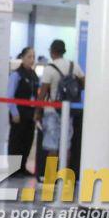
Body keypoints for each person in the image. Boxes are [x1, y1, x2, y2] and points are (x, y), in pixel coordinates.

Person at [35, 39, 84, 179]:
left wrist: (37, 112)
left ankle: (50, 177)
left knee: (52, 146)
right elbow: (84, 83)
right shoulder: (73, 65)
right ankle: (64, 176)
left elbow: (43, 93)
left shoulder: (49, 68)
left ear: (52, 51)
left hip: (52, 111)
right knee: (66, 145)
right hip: (68, 111)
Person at [7, 47, 39, 175]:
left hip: (30, 114)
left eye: (33, 57)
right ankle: (13, 169)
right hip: (19, 114)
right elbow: (10, 96)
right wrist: (14, 113)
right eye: (29, 57)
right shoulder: (16, 74)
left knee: (28, 140)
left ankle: (22, 167)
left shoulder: (33, 75)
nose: (31, 60)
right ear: (23, 58)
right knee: (16, 141)